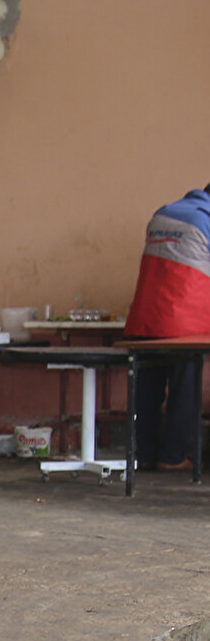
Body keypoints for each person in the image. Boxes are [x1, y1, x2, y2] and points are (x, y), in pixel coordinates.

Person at [122, 185, 210, 472]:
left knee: (145, 393)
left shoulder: (163, 213)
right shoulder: (206, 219)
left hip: (144, 319)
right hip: (185, 325)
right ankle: (172, 457)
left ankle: (143, 454)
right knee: (185, 392)